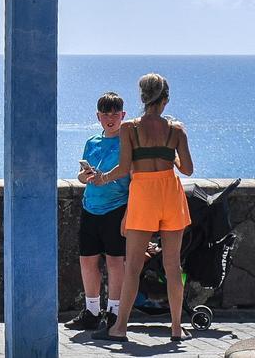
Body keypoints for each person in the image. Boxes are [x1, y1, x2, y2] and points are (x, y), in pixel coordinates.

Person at [93, 74, 194, 343]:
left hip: (143, 196)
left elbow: (124, 168)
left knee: (133, 267)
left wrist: (101, 178)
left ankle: (120, 328)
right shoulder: (176, 130)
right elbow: (188, 169)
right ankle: (176, 329)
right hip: (170, 195)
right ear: (165, 99)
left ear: (142, 98)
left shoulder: (130, 129)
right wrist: (169, 154)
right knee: (173, 267)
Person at [64, 92, 129, 331]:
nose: (110, 118)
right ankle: (91, 311)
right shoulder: (92, 141)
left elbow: (134, 181)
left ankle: (113, 312)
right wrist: (83, 176)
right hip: (90, 208)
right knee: (88, 260)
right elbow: (83, 174)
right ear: (98, 116)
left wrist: (128, 214)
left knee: (115, 261)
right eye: (105, 114)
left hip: (116, 208)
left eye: (115, 113)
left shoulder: (127, 142)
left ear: (123, 115)